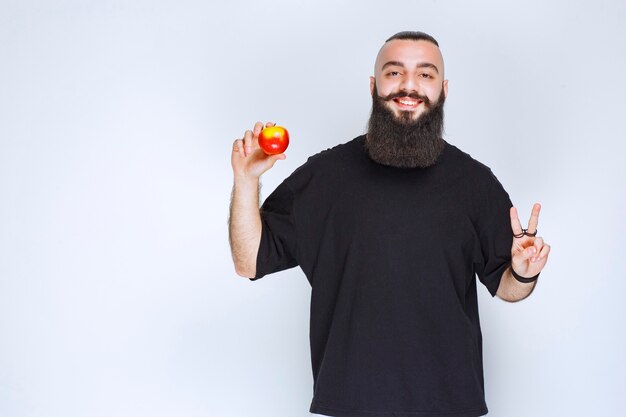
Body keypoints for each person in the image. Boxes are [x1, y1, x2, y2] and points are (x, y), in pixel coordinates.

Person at [228, 31, 551, 417]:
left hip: (451, 404)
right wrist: (245, 181)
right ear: (373, 85)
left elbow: (508, 288)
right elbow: (248, 261)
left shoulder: (475, 184)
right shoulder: (325, 177)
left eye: (425, 75)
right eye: (394, 72)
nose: (409, 85)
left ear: (443, 89)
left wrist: (523, 273)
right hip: (350, 403)